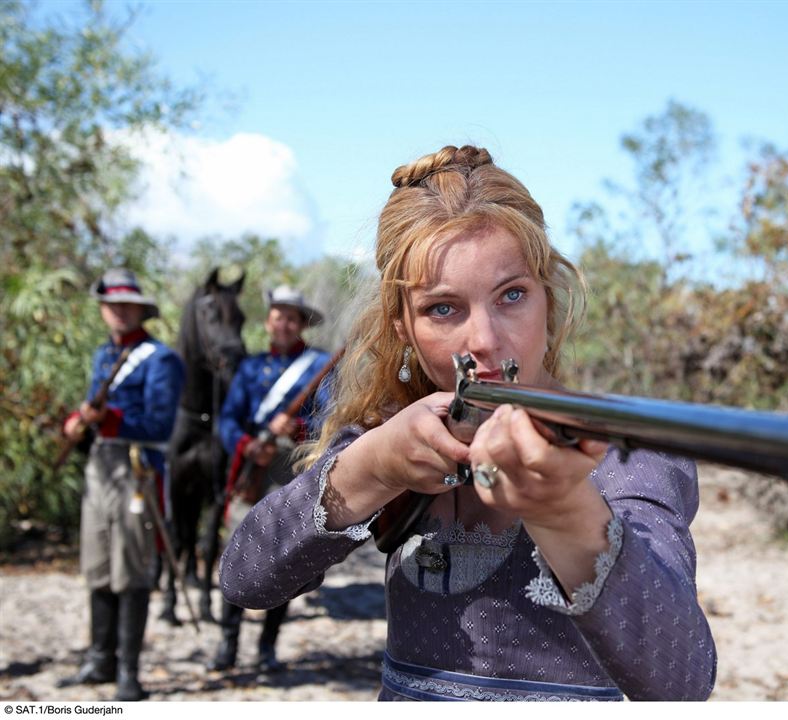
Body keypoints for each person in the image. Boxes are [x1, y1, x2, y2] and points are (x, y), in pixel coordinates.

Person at [218, 146, 717, 700]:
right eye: (443, 309)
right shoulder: (392, 436)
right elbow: (245, 578)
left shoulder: (630, 450)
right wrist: (370, 468)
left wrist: (564, 510)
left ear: (546, 300)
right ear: (402, 326)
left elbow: (682, 681)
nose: (483, 340)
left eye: (511, 295)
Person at [61, 268, 185, 701]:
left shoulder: (160, 359)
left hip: (138, 468)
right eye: (111, 305)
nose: (118, 312)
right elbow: (96, 415)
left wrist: (106, 419)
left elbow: (160, 424)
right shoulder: (101, 355)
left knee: (130, 570)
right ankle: (100, 659)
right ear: (102, 310)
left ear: (140, 309)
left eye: (126, 304)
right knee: (97, 566)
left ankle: (129, 673)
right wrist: (79, 424)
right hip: (101, 468)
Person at [207, 285, 331, 673]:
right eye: (279, 315)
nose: (284, 323)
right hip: (252, 468)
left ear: (301, 324)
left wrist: (296, 427)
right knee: (235, 548)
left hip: (290, 467)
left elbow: (330, 419)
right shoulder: (249, 367)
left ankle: (266, 647)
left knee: (282, 555)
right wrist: (245, 445)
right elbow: (229, 419)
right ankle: (228, 645)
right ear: (268, 321)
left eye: (292, 317)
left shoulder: (320, 366)